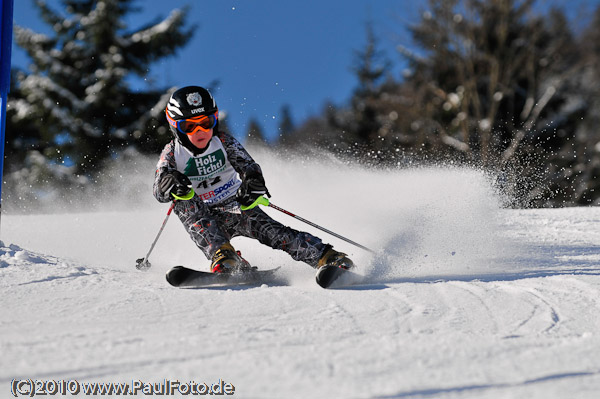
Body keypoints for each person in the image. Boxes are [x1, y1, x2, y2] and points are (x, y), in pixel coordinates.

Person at [153, 85, 354, 273]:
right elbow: (159, 191)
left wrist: (252, 183)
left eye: (206, 123)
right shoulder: (172, 153)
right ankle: (224, 256)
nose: (200, 131)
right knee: (182, 201)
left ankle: (326, 256)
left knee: (276, 233)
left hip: (236, 206)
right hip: (203, 214)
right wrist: (168, 182)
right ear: (175, 127)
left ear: (214, 120)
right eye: (189, 126)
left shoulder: (224, 142)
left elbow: (249, 167)